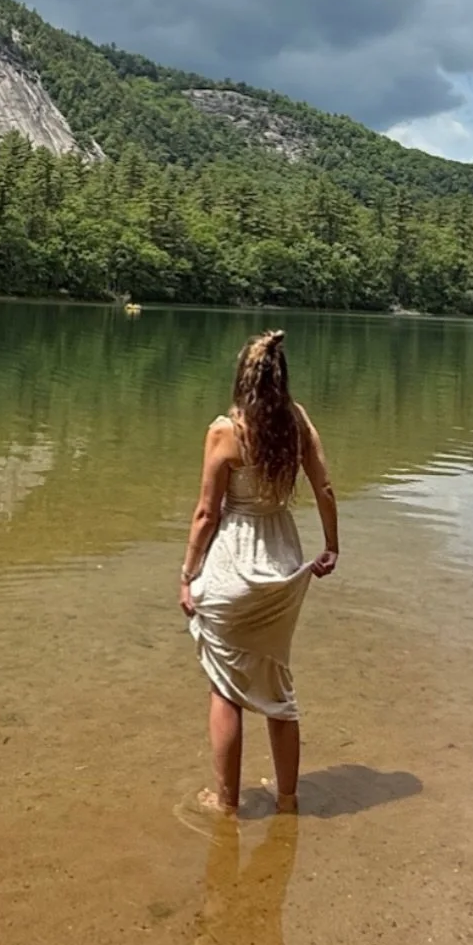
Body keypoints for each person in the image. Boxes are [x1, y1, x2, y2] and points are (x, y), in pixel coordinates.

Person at [179, 329, 339, 816]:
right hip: (283, 566)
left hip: (233, 566)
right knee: (277, 686)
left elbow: (207, 514)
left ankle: (227, 804)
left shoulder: (226, 431)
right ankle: (287, 799)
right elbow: (324, 487)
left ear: (241, 377)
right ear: (281, 377)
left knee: (225, 689)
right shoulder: (297, 422)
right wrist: (331, 545)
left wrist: (188, 574)